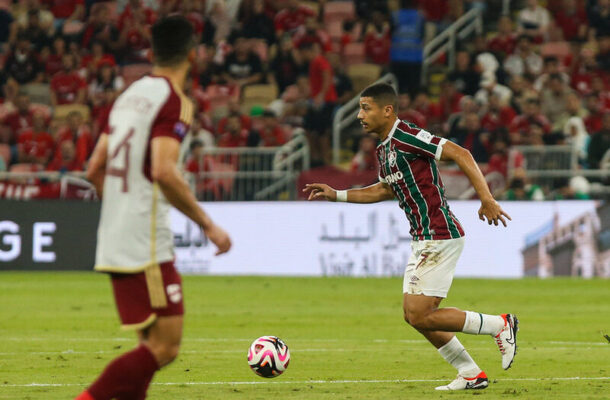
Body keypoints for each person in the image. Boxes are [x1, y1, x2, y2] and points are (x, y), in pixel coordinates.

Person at [303, 83, 518, 391]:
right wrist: (336, 194)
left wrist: (487, 198)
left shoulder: (408, 136)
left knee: (419, 314)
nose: (359, 115)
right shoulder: (384, 149)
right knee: (415, 316)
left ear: (387, 110)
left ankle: (500, 325)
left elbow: (461, 153)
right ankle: (470, 374)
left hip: (440, 233)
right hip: (422, 237)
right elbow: (383, 190)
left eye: (366, 108)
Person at [76, 16, 231, 400]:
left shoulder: (128, 95)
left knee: (149, 345)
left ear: (152, 52)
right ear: (193, 55)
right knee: (166, 347)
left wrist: (121, 207)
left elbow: (94, 167)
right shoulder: (174, 101)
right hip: (144, 242)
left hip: (115, 232)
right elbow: (164, 170)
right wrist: (208, 225)